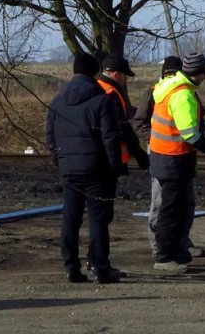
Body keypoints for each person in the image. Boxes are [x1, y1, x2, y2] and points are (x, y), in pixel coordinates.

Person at [45, 52, 122, 284]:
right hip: (96, 169)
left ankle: (70, 266)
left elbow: (50, 135)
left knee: (71, 217)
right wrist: (114, 167)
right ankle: (100, 267)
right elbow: (110, 138)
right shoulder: (102, 100)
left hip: (69, 167)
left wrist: (59, 160)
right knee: (98, 220)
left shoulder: (57, 100)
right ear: (95, 72)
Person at [148, 52, 205, 274]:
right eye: (204, 73)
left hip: (164, 158)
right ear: (197, 73)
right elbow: (190, 134)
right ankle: (164, 258)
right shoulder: (183, 96)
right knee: (171, 211)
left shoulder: (169, 87)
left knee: (174, 209)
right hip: (174, 160)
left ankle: (175, 253)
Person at [130, 56, 204, 262]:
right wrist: (156, 141)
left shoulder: (184, 93)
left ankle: (180, 243)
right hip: (166, 157)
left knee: (183, 205)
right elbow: (140, 123)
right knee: (163, 206)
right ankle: (160, 248)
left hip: (180, 157)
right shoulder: (160, 93)